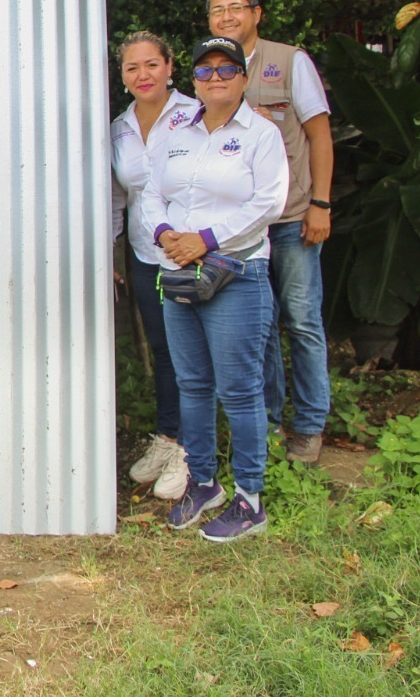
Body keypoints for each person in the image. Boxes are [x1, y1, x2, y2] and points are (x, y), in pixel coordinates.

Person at [141, 36, 288, 542]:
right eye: (205, 71)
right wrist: (165, 235)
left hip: (236, 275)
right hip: (181, 274)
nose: (216, 78)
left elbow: (268, 204)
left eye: (227, 69)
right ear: (195, 81)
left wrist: (203, 240)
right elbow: (151, 194)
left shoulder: (261, 136)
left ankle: (249, 499)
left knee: (240, 391)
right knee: (193, 385)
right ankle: (203, 483)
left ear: (244, 78)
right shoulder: (178, 133)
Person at [207, 0, 334, 462]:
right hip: (243, 228)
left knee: (302, 320)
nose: (226, 17)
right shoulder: (212, 71)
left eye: (236, 8)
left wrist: (321, 203)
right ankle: (270, 421)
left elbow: (319, 136)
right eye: (217, 10)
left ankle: (310, 423)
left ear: (256, 14)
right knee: (260, 326)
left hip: (294, 216)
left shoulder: (289, 61)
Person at [110, 31, 198, 501]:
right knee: (164, 350)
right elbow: (117, 199)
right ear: (123, 77)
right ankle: (168, 437)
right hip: (146, 255)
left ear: (169, 67)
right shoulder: (119, 127)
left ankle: (192, 450)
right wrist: (109, 253)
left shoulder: (195, 115)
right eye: (132, 68)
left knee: (192, 354)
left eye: (151, 65)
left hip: (193, 254)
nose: (142, 75)